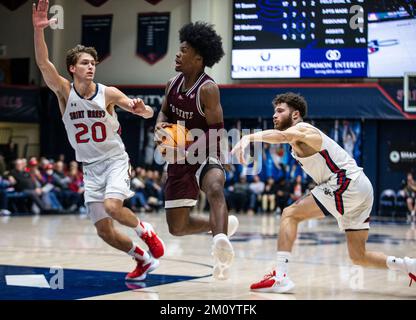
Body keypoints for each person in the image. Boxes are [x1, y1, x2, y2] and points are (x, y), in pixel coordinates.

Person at [32, 0, 164, 281]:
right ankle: (141, 259)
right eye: (85, 63)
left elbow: (147, 112)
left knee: (113, 208)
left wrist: (143, 110)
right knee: (103, 230)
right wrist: (38, 30)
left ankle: (146, 232)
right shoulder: (64, 93)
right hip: (90, 167)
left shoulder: (109, 93)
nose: (91, 67)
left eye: (93, 63)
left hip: (115, 159)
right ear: (72, 68)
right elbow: (43, 63)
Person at [232, 92, 416, 293]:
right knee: (358, 256)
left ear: (295, 114)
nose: (274, 115)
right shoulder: (297, 140)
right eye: (274, 111)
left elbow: (283, 136)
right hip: (360, 187)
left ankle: (281, 276)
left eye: (280, 110)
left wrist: (249, 137)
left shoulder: (303, 129)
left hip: (347, 182)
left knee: (289, 214)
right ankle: (409, 265)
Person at [155, 22, 238, 280]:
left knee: (214, 187)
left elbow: (217, 132)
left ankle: (221, 240)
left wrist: (188, 149)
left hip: (206, 150)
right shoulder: (171, 84)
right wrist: (160, 131)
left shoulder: (208, 89)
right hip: (179, 157)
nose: (178, 55)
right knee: (177, 228)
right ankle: (220, 225)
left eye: (183, 50)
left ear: (198, 58)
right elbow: (164, 113)